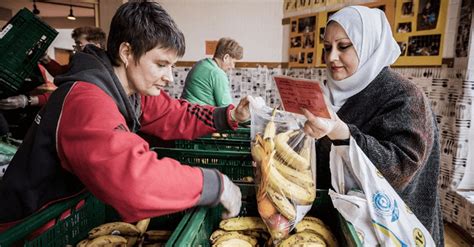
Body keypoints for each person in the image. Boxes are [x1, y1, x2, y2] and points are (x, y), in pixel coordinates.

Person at [0, 1, 249, 231]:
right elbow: (134, 178)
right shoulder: (86, 100)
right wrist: (213, 184)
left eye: (171, 66)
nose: (170, 77)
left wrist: (230, 115)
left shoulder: (133, 93)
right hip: (27, 228)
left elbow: (174, 113)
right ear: (127, 52)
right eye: (161, 65)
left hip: (64, 217)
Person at [301, 6, 443, 245]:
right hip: (344, 225)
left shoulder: (405, 96)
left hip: (393, 232)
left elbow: (398, 169)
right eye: (327, 48)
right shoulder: (332, 93)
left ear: (369, 45)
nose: (332, 56)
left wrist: (341, 132)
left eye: (343, 46)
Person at [0, 26, 107, 110]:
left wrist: (28, 100)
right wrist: (46, 59)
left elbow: (66, 95)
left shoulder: (93, 70)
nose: (76, 49)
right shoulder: (83, 65)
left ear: (96, 46)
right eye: (75, 45)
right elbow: (63, 72)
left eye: (79, 45)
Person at [180, 37, 243, 107]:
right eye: (234, 62)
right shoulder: (217, 74)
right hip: (198, 115)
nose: (233, 66)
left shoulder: (201, 64)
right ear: (226, 57)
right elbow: (227, 108)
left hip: (185, 110)